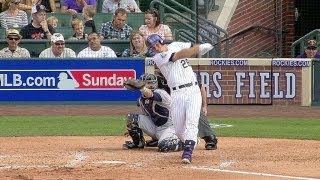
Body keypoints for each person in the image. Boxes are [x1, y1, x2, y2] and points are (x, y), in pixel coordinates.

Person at [146, 34, 213, 164]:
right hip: (177, 93)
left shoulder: (175, 44)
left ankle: (187, 152)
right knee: (178, 129)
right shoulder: (158, 57)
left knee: (192, 122)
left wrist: (199, 47)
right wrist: (200, 49)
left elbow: (190, 46)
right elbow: (180, 54)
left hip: (193, 90)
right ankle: (192, 140)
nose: (155, 48)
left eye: (156, 44)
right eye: (153, 47)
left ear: (161, 41)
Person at [155, 68, 218, 150]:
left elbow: (201, 88)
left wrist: (204, 106)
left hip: (187, 97)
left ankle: (210, 138)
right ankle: (160, 137)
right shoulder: (158, 79)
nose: (159, 71)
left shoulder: (183, 74)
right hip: (170, 103)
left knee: (196, 112)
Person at [123, 73, 183, 152]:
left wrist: (142, 88)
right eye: (148, 82)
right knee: (131, 118)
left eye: (153, 82)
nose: (151, 85)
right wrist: (133, 128)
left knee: (164, 146)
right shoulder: (141, 100)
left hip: (170, 127)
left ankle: (183, 142)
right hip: (156, 127)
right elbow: (148, 115)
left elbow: (151, 95)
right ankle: (138, 143)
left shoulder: (161, 93)